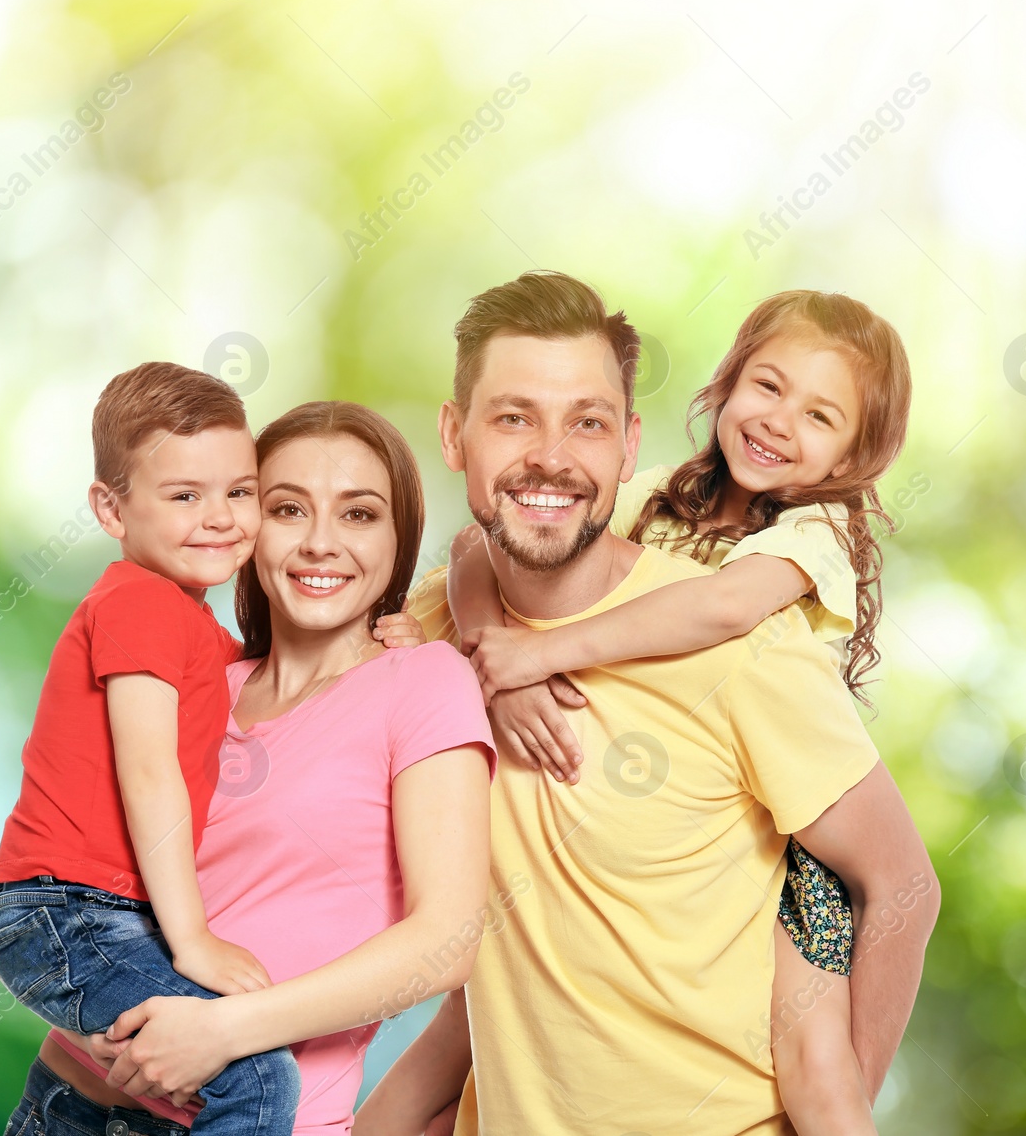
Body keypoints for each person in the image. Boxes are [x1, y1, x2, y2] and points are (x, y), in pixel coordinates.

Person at [357, 271, 938, 1136]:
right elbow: (490, 538)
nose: (780, 421)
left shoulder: (799, 559)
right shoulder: (652, 496)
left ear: (852, 458)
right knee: (462, 1021)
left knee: (818, 1071)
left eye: (821, 416)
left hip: (795, 851)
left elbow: (719, 608)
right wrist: (492, 660)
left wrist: (538, 655)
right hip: (531, 1004)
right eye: (768, 387)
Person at [0, 400, 496, 1136]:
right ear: (248, 523)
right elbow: (2, 899)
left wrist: (225, 1032)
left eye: (359, 514)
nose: (320, 543)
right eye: (287, 507)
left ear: (399, 535)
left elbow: (446, 941)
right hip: (66, 1106)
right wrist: (114, 1032)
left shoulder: (424, 681)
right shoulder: (185, 681)